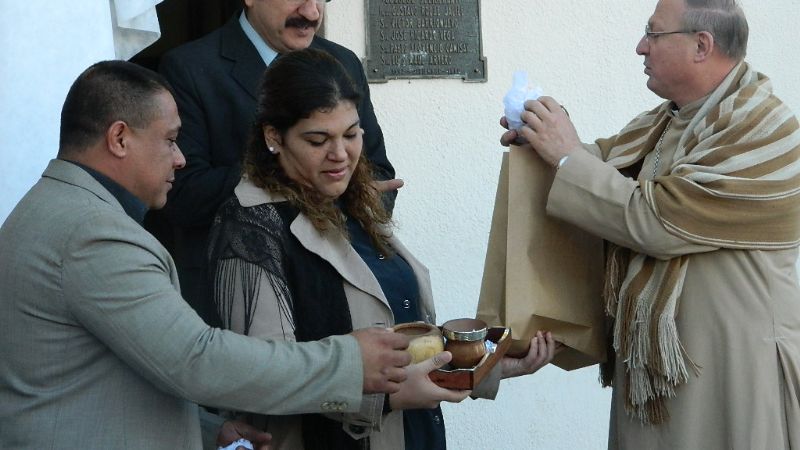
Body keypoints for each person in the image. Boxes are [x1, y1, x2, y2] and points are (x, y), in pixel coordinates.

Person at [0, 60, 414, 450]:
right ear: (120, 138)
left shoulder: (53, 206)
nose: (181, 159)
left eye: (350, 134)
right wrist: (349, 362)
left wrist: (210, 429)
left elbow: (103, 377)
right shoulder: (93, 233)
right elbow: (195, 360)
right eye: (171, 140)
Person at [207, 48, 558, 450]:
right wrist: (387, 397)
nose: (340, 154)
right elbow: (264, 377)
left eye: (351, 134)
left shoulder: (353, 201)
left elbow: (402, 332)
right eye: (318, 139)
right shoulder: (253, 225)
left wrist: (483, 360)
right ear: (273, 137)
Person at [501, 0, 800, 448]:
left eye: (653, 34)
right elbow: (608, 167)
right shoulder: (666, 121)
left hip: (734, 375)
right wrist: (542, 140)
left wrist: (565, 155)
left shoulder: (763, 128)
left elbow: (654, 219)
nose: (641, 47)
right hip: (658, 375)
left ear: (702, 45)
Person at [158, 0, 398, 327]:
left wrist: (344, 187)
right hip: (239, 301)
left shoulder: (342, 62)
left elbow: (378, 178)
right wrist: (291, 173)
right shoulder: (189, 67)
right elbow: (183, 195)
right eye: (316, 141)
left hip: (342, 292)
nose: (312, 12)